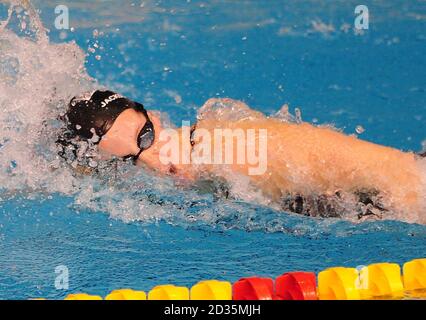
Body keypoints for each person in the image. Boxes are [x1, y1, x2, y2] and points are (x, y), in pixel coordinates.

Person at [57, 89, 426, 221]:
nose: (157, 162)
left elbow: (404, 175)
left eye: (147, 136)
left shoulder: (232, 146)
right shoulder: (204, 172)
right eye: (130, 160)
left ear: (154, 116)